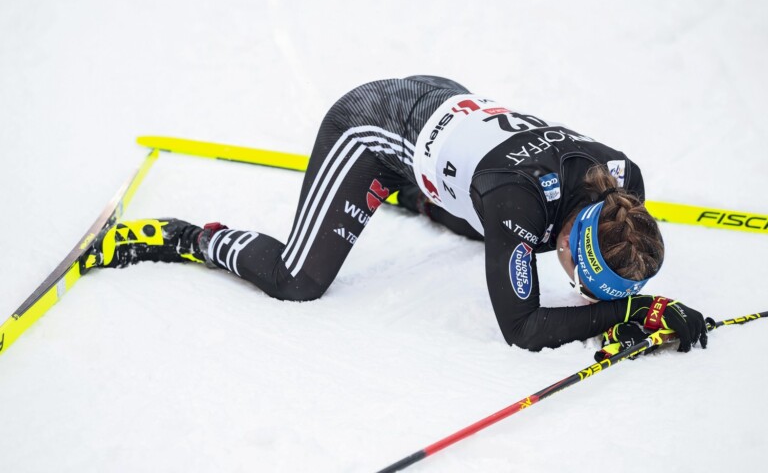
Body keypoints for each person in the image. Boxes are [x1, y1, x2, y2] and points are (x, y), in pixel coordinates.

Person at [81, 75, 708, 354]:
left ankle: (418, 194)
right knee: (299, 281)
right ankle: (184, 237)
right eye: (579, 277)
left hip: (446, 104)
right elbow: (523, 328)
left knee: (492, 232)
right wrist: (634, 311)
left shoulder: (625, 180)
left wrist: (630, 303)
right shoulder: (518, 203)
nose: (574, 286)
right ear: (575, 236)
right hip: (372, 126)